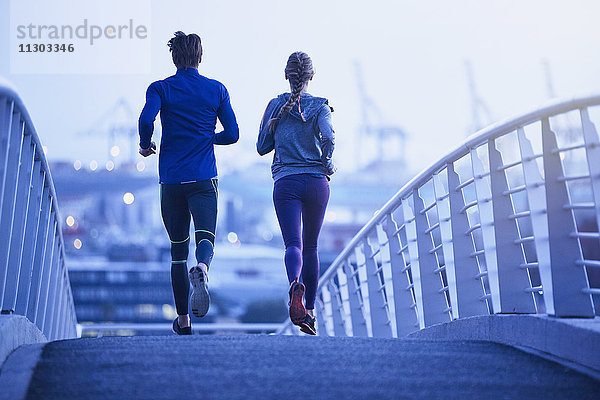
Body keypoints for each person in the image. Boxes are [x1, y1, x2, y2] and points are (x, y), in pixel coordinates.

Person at [138, 31, 239, 335]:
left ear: (174, 58)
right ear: (200, 57)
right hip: (204, 178)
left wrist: (146, 143)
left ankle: (183, 321)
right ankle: (204, 270)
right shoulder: (217, 89)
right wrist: (209, 138)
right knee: (205, 236)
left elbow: (146, 120)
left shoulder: (161, 88)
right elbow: (233, 134)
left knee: (177, 251)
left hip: (171, 181)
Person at [257, 51, 336, 335]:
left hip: (285, 183)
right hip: (316, 182)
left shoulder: (276, 106)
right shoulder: (321, 107)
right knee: (312, 246)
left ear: (286, 75)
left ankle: (294, 284)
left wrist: (279, 127)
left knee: (294, 244)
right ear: (311, 76)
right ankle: (310, 312)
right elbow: (328, 137)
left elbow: (262, 146)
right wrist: (326, 162)